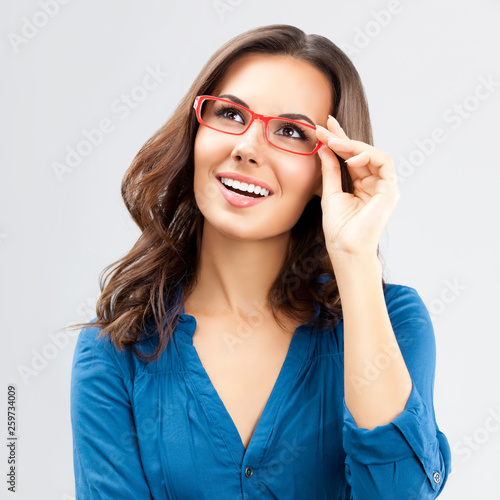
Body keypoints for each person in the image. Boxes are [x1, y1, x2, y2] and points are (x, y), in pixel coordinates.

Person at [69, 24, 451, 499]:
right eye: (230, 114)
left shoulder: (393, 322)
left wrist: (354, 257)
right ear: (195, 135)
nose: (247, 147)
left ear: (328, 168)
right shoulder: (116, 350)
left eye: (290, 131)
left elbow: (400, 491)